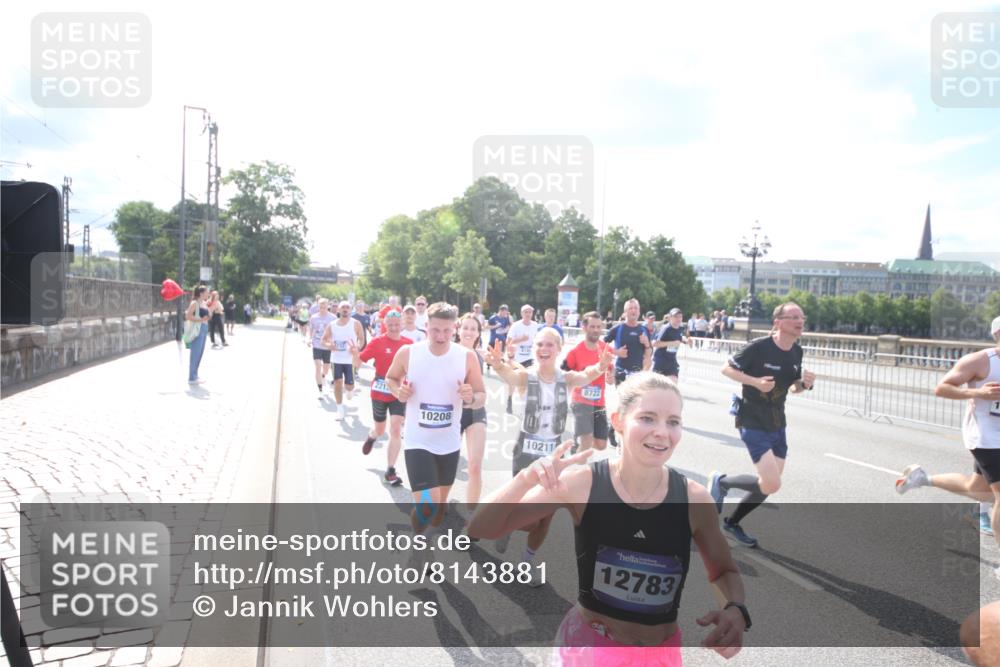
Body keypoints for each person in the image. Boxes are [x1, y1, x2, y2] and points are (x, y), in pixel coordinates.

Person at [469, 371, 748, 665]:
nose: (662, 432)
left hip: (660, 654)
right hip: (589, 650)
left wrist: (735, 608)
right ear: (617, 422)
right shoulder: (583, 484)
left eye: (673, 422)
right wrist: (526, 478)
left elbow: (724, 572)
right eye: (648, 418)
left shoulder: (694, 499)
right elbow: (482, 527)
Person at [484, 327, 614, 585]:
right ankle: (504, 527)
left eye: (549, 345)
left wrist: (600, 367)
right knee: (518, 504)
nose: (543, 349)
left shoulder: (565, 378)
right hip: (526, 451)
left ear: (558, 349)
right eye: (539, 345)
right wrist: (498, 365)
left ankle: (526, 562)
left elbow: (586, 376)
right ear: (534, 349)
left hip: (552, 451)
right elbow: (512, 377)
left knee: (546, 514)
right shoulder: (526, 376)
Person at [708, 302, 816, 547]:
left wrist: (805, 384)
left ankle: (732, 522)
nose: (800, 321)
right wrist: (755, 382)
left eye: (802, 316)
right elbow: (726, 369)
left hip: (778, 423)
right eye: (794, 316)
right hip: (752, 419)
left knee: (768, 485)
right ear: (778, 322)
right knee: (772, 482)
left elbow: (792, 388)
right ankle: (721, 482)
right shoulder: (759, 348)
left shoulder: (796, 352)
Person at [896, 315, 1000, 542]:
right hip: (987, 438)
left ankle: (922, 479)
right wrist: (978, 393)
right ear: (998, 334)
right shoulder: (981, 361)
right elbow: (942, 388)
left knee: (977, 489)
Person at [385, 303, 485, 533]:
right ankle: (419, 549)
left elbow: (481, 397)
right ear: (426, 326)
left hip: (449, 443)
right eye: (435, 330)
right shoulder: (408, 353)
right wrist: (397, 391)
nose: (441, 336)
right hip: (418, 440)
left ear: (455, 329)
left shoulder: (467, 357)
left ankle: (425, 538)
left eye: (447, 331)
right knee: (427, 505)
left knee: (439, 510)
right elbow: (390, 378)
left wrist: (471, 397)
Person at [352, 310, 412, 487]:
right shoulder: (378, 342)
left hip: (398, 392)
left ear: (402, 324)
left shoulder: (409, 344)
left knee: (395, 429)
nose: (394, 328)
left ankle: (390, 470)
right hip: (379, 391)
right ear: (385, 324)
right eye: (390, 324)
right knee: (380, 429)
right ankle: (372, 437)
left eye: (396, 324)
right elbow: (358, 363)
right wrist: (355, 353)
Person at [562, 311, 613, 454]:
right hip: (580, 402)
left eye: (598, 327)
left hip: (599, 402)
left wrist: (611, 377)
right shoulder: (575, 351)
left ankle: (576, 444)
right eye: (592, 327)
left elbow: (611, 370)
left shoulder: (606, 349)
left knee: (601, 445)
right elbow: (563, 375)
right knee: (587, 440)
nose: (596, 330)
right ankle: (577, 469)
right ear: (584, 328)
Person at [604, 298, 652, 447]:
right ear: (625, 312)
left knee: (633, 405)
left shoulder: (643, 330)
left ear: (639, 312)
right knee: (626, 402)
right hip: (621, 372)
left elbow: (649, 352)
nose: (633, 311)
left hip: (638, 374)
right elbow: (601, 346)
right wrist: (616, 352)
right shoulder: (618, 329)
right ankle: (623, 435)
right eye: (630, 308)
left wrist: (647, 344)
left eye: (636, 308)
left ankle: (613, 428)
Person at [455, 313, 488, 509]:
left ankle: (471, 514)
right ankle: (439, 507)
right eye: (465, 327)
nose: (469, 332)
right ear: (458, 330)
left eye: (473, 329)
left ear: (478, 333)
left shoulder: (480, 356)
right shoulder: (447, 353)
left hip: (476, 412)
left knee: (475, 467)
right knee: (447, 467)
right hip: (451, 414)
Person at [321, 301, 365, 420]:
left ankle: (350, 390)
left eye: (347, 307)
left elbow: (361, 339)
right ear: (338, 310)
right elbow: (323, 340)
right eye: (343, 307)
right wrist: (329, 345)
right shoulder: (332, 324)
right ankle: (340, 409)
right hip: (336, 359)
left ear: (351, 310)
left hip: (350, 360)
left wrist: (357, 347)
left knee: (349, 386)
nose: (345, 309)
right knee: (338, 383)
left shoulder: (356, 323)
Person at [506, 305, 541, 413]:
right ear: (521, 314)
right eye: (526, 312)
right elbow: (508, 342)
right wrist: (521, 339)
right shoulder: (516, 326)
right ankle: (510, 399)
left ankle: (527, 405)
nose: (528, 314)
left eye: (530, 312)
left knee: (530, 380)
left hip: (530, 357)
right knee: (514, 381)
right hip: (517, 358)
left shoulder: (536, 325)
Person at [652, 308, 690, 383]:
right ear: (670, 318)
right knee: (657, 386)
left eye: (680, 316)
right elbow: (655, 343)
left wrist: (686, 341)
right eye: (676, 317)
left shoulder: (681, 328)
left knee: (673, 384)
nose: (678, 319)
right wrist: (672, 343)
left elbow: (678, 338)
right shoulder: (666, 328)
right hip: (661, 361)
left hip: (672, 361)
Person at [309, 299, 336, 396]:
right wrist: (309, 339)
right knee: (317, 366)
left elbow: (335, 331)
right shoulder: (314, 317)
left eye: (324, 306)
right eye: (321, 306)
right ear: (318, 306)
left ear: (328, 306)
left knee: (326, 368)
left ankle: (323, 376)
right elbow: (311, 329)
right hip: (316, 344)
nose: (322, 308)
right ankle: (320, 389)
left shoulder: (333, 317)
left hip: (327, 346)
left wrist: (334, 342)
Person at [185, 286, 211, 385]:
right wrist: (200, 320)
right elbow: (188, 316)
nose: (208, 293)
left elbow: (208, 315)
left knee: (200, 353)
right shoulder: (194, 303)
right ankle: (191, 378)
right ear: (201, 293)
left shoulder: (204, 303)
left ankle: (195, 375)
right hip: (197, 329)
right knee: (195, 353)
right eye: (207, 292)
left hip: (204, 329)